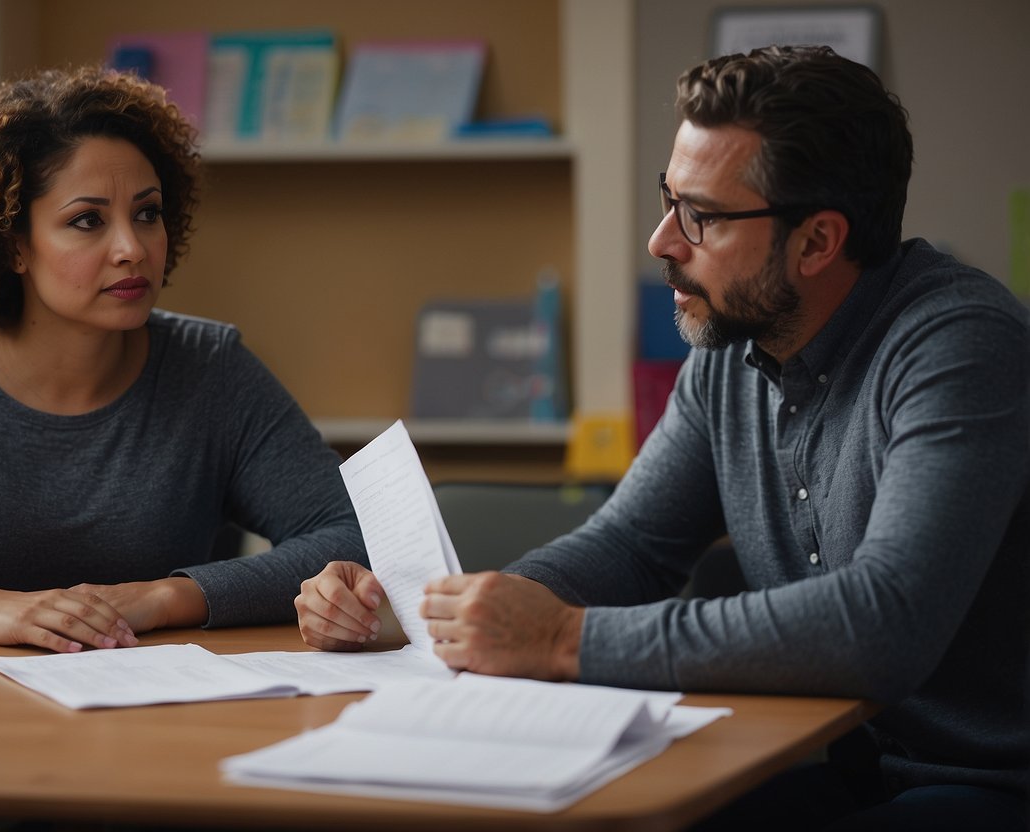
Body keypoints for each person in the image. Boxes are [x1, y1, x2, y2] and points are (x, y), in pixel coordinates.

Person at [295, 46, 1029, 830]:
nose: (659, 241)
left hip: (994, 783)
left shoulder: (959, 345)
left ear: (816, 242)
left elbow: (885, 623)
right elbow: (632, 546)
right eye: (666, 199)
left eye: (700, 217)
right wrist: (443, 613)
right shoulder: (734, 347)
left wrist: (562, 638)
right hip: (857, 768)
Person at [0, 66, 365, 654]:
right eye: (87, 221)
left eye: (147, 213)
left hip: (154, 711)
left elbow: (351, 536)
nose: (132, 248)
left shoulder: (211, 369)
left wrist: (165, 596)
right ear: (15, 245)